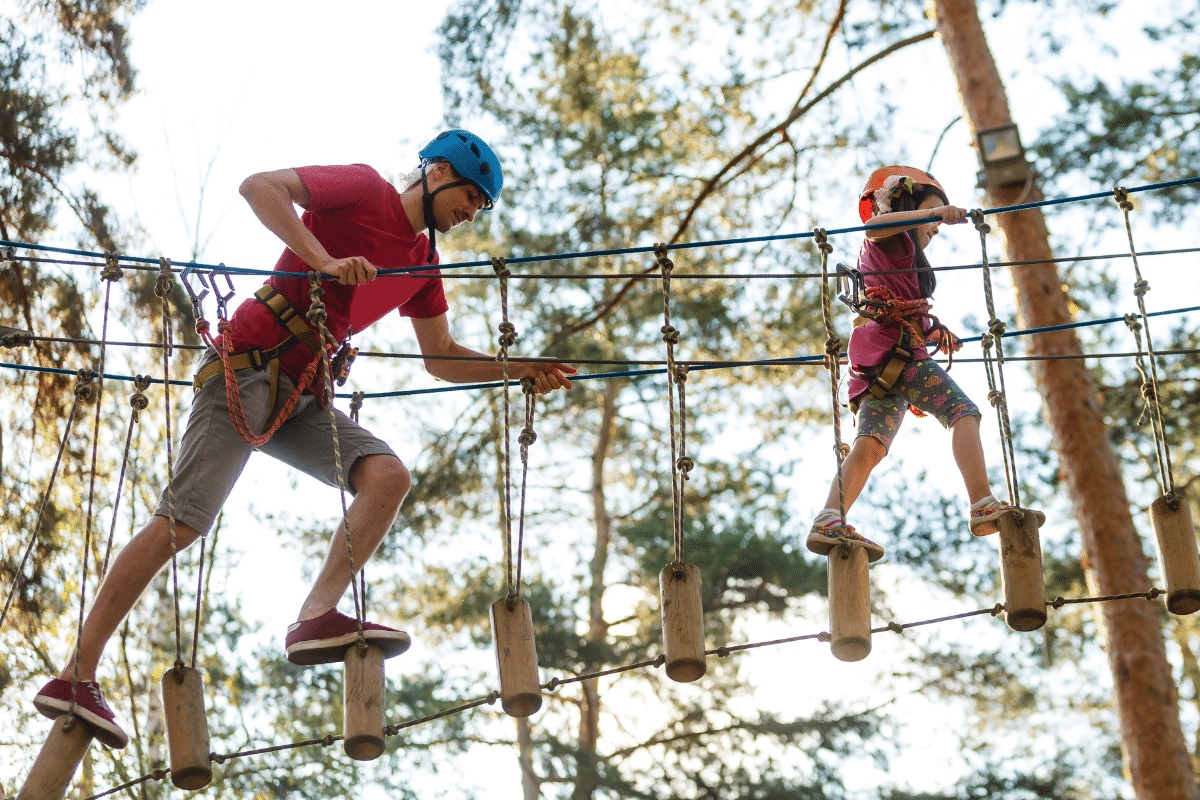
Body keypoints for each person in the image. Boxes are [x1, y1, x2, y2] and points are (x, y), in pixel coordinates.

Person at [33, 130, 577, 749]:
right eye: (473, 196)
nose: (473, 212)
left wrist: (523, 367)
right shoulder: (363, 188)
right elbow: (259, 188)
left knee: (387, 476)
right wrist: (320, 257)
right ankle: (76, 674)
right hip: (248, 366)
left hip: (302, 394)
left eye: (483, 206)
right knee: (183, 522)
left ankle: (315, 617)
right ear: (438, 172)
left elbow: (442, 357)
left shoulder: (423, 265)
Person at [806, 165, 1042, 563]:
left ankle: (830, 516)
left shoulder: (903, 260)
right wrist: (932, 213)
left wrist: (932, 333)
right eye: (931, 214)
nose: (935, 227)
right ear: (908, 203)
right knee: (963, 412)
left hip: (882, 360)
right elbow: (875, 227)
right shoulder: (883, 239)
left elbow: (901, 309)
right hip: (895, 353)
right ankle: (981, 502)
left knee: (871, 445)